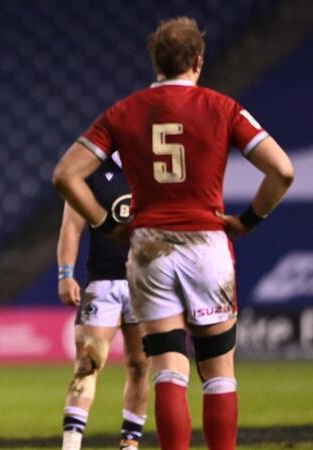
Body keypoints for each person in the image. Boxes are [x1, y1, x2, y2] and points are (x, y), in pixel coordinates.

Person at [52, 17, 294, 450]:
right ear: (198, 61)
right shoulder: (223, 108)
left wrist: (108, 226)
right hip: (206, 245)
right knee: (219, 373)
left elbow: (66, 175)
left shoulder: (122, 113)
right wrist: (248, 220)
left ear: (155, 61)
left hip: (149, 250)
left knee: (167, 368)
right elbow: (282, 170)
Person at [56, 155, 149, 450]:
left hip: (146, 284)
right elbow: (72, 225)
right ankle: (71, 445)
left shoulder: (154, 168)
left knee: (139, 366)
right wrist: (66, 274)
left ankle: (129, 444)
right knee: (87, 363)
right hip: (103, 284)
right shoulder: (91, 172)